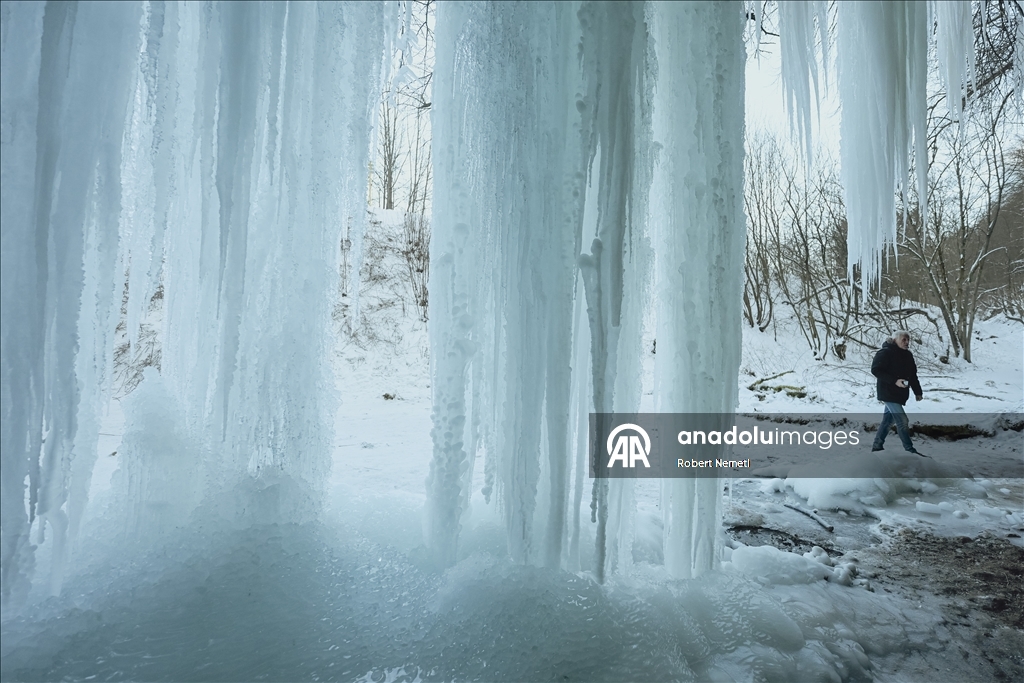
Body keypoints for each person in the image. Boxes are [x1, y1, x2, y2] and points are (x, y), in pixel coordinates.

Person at [870, 330, 925, 455]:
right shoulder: (885, 353)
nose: (907, 342)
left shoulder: (908, 355)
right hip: (887, 392)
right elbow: (875, 370)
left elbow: (913, 375)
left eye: (908, 340)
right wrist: (894, 381)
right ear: (895, 340)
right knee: (902, 420)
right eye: (903, 340)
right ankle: (910, 450)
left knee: (888, 421)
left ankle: (877, 447)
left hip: (900, 394)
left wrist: (918, 392)